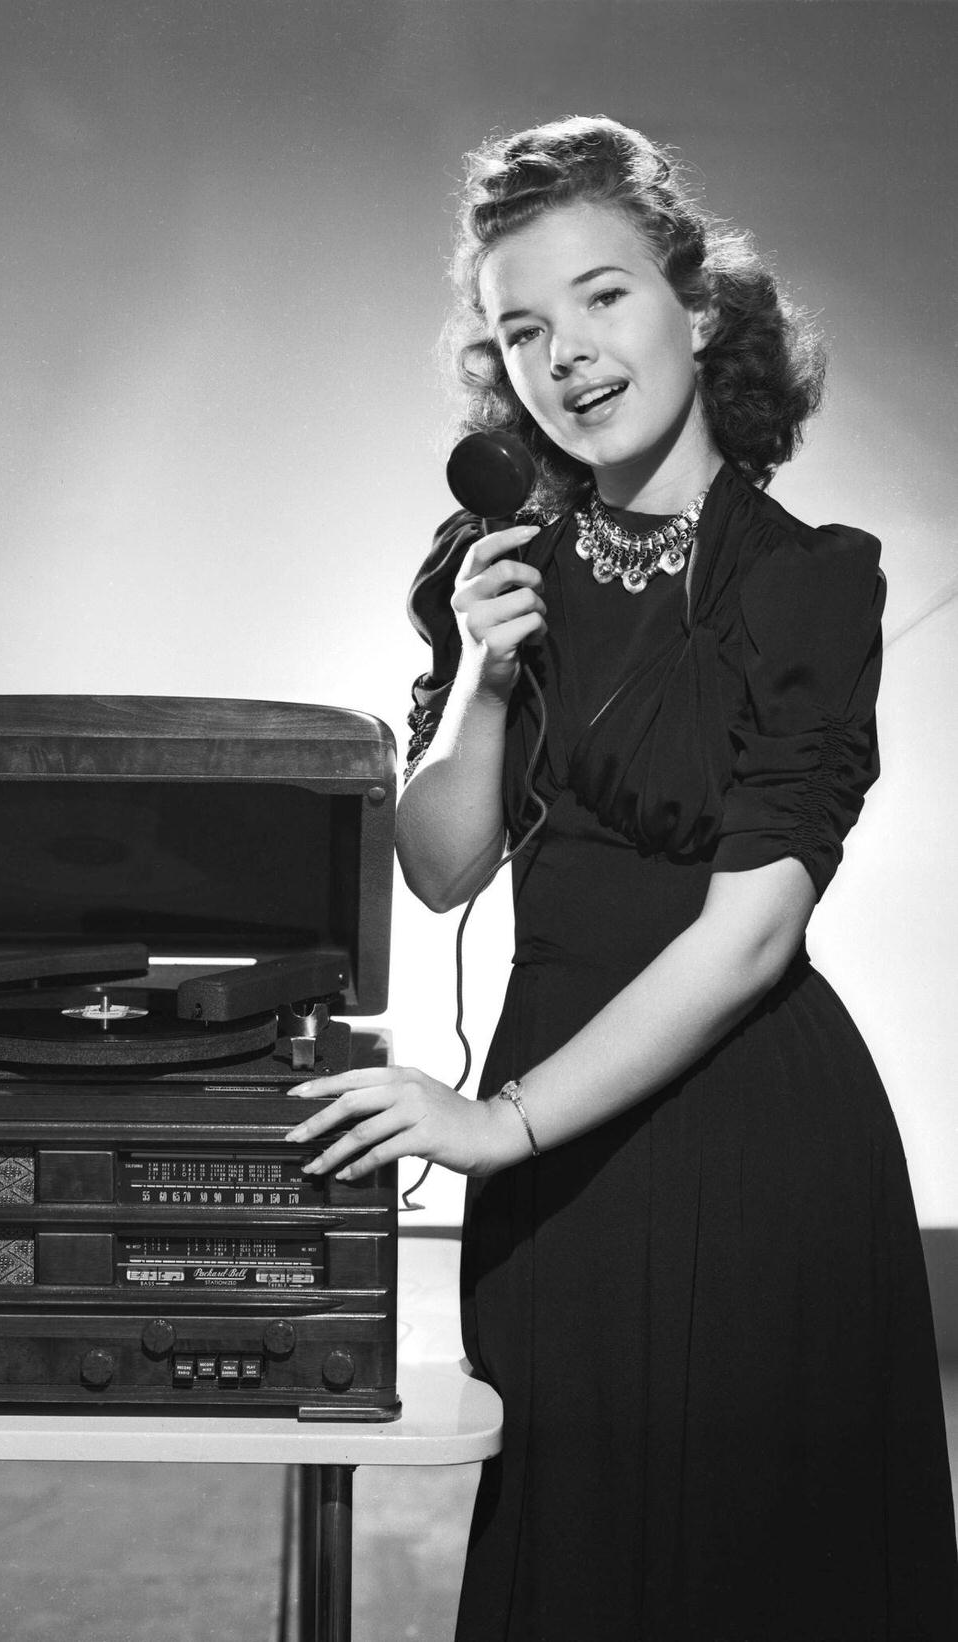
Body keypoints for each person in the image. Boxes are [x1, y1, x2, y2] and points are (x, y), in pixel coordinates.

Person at [285, 116, 958, 1639]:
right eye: (521, 328)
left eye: (602, 299)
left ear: (698, 308)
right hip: (555, 1163)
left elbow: (752, 934)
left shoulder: (807, 582)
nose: (565, 356)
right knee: (573, 1561)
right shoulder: (495, 557)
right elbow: (447, 872)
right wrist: (480, 673)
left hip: (747, 1146)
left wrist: (492, 1120)